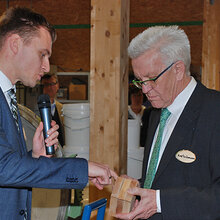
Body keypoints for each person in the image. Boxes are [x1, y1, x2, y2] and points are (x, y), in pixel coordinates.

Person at [0, 7, 117, 219]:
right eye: (42, 54)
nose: (46, 66)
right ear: (15, 44)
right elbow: (3, 168)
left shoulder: (8, 96)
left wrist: (35, 157)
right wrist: (82, 169)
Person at [115, 25, 220, 220]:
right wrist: (139, 187)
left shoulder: (214, 111)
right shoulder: (156, 113)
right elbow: (167, 176)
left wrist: (160, 201)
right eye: (139, 80)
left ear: (178, 70)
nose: (145, 89)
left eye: (151, 79)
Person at [41, 73, 65, 147]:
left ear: (57, 86)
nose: (50, 87)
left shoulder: (62, 108)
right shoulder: (35, 109)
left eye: (52, 84)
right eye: (46, 84)